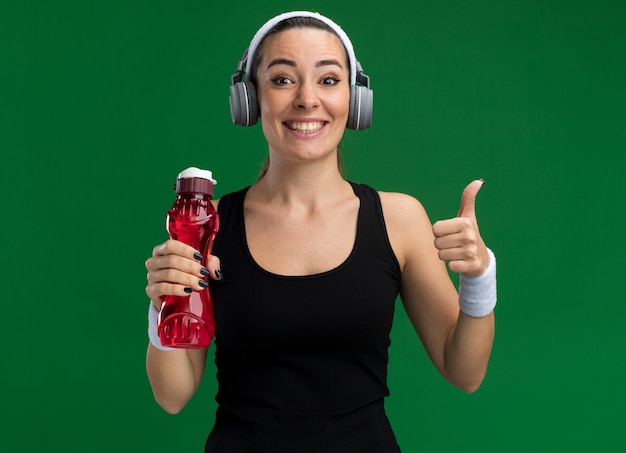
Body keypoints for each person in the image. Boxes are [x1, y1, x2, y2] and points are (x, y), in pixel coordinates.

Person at [144, 11, 497, 452]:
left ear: (354, 100)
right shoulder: (207, 224)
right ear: (249, 99)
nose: (308, 99)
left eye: (329, 80)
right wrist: (163, 307)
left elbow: (464, 372)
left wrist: (479, 278)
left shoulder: (399, 218)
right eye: (282, 80)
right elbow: (172, 396)